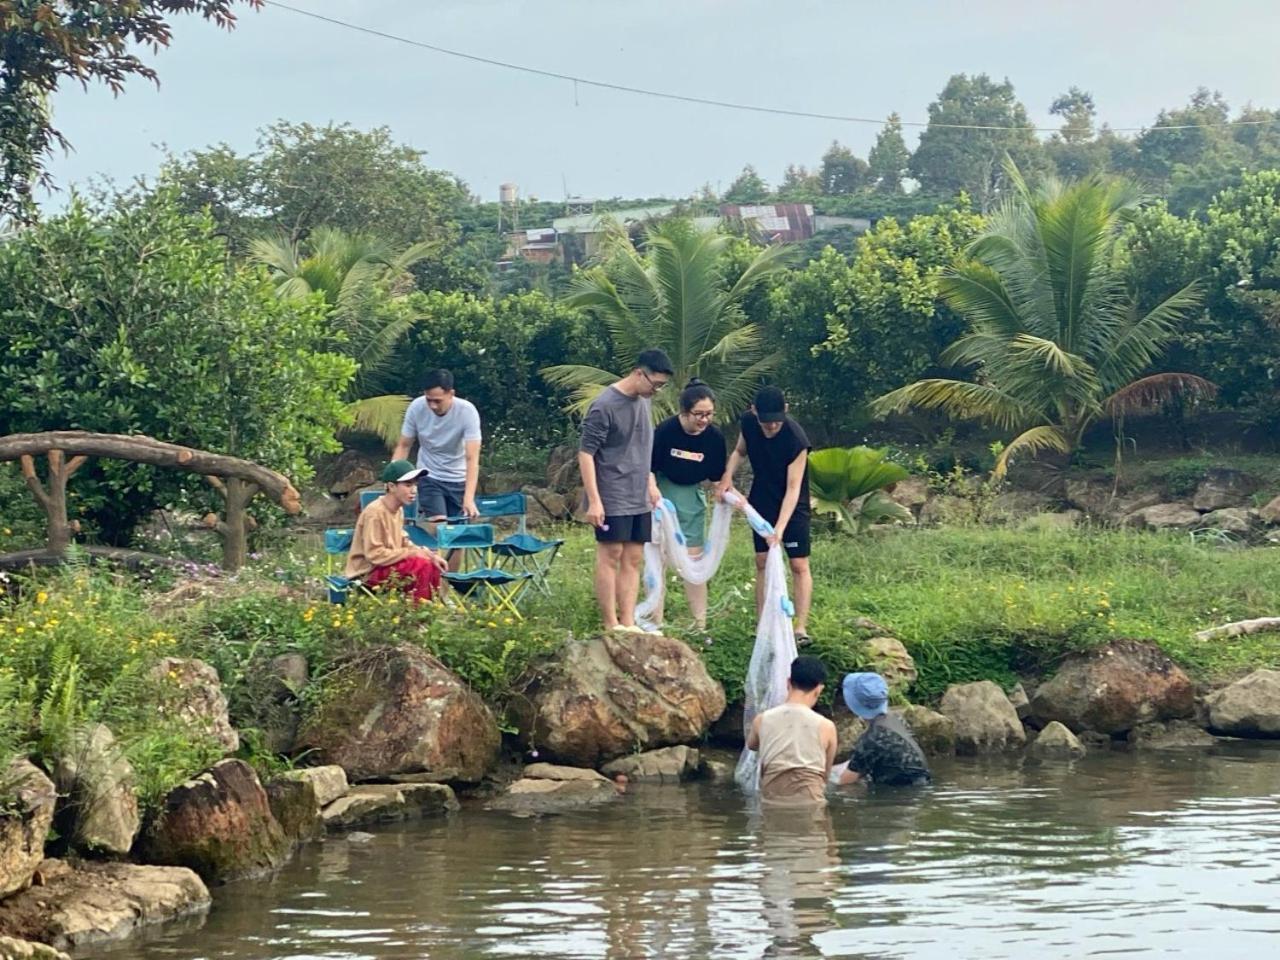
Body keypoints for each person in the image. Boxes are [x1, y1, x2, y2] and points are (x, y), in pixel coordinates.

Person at [578, 348, 674, 633]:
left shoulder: (643, 401)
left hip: (638, 494)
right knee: (611, 555)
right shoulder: (604, 405)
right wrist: (594, 501)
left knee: (634, 557)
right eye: (654, 384)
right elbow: (585, 454)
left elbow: (641, 448)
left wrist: (650, 482)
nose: (656, 391)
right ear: (638, 373)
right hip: (611, 493)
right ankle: (611, 624)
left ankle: (628, 622)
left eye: (661, 387)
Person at [718, 385, 813, 644]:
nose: (771, 427)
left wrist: (780, 529)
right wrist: (727, 476)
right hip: (762, 498)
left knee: (798, 563)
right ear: (754, 412)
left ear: (786, 411)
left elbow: (794, 488)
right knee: (761, 560)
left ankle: (800, 627)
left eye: (776, 421)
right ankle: (762, 623)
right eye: (765, 422)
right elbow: (739, 451)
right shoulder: (749, 423)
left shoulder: (796, 439)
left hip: (793, 506)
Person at [648, 378, 727, 631]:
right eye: (698, 414)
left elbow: (718, 478)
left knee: (694, 563)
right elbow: (648, 467)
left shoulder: (714, 438)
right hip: (662, 496)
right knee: (657, 559)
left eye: (709, 414)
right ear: (684, 412)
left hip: (692, 500)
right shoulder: (665, 431)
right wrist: (652, 490)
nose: (703, 420)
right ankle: (655, 620)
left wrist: (728, 494)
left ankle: (699, 623)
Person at [392, 369, 482, 570]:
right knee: (439, 528)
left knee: (457, 540)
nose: (432, 405)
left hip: (458, 478)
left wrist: (469, 497)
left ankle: (447, 587)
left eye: (438, 400)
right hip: (429, 475)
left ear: (451, 393)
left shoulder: (467, 412)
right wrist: (393, 479)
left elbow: (472, 457)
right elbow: (404, 446)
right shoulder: (416, 408)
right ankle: (430, 582)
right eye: (428, 399)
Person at [345, 460, 448, 602]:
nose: (414, 490)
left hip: (390, 566)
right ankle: (418, 612)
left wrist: (428, 554)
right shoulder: (375, 512)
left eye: (415, 485)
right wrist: (412, 553)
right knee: (420, 564)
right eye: (408, 485)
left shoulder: (398, 510)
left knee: (431, 563)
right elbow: (375, 555)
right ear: (391, 486)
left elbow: (403, 541)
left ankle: (430, 608)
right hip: (367, 573)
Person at [746, 656, 838, 805]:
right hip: (810, 801)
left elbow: (751, 745)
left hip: (772, 800)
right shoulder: (827, 727)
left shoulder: (762, 720)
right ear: (819, 689)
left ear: (788, 682)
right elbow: (825, 775)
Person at [835, 672, 932, 788]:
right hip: (921, 784)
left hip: (899, 796)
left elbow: (845, 780)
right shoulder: (896, 719)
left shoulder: (872, 738)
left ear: (852, 703)